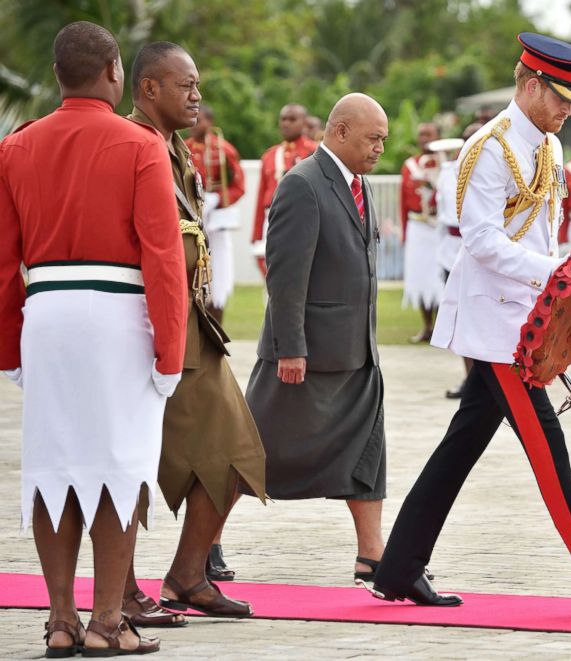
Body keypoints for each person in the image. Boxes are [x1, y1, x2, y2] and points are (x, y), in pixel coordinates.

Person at [371, 33, 571, 615]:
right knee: (550, 456)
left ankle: (399, 567)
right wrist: (558, 276)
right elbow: (480, 241)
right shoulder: (489, 146)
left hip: (527, 321)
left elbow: (544, 233)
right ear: (530, 84)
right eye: (559, 98)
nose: (566, 111)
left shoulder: (549, 147)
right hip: (499, 329)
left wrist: (568, 288)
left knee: (458, 449)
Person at [0, 21, 187, 656]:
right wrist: (170, 350)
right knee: (121, 468)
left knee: (54, 467)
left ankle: (59, 620)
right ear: (114, 73)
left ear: (57, 75)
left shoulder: (17, 146)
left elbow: (3, 263)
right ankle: (109, 621)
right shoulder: (139, 145)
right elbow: (163, 257)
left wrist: (8, 346)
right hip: (117, 315)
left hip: (46, 314)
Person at [123, 40, 266, 623]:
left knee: (237, 454)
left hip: (191, 324)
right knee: (123, 459)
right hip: (139, 327)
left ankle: (187, 575)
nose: (197, 96)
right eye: (186, 85)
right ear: (149, 88)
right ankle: (124, 591)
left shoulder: (175, 147)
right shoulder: (129, 143)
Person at [245, 93, 388, 585]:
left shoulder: (360, 185)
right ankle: (203, 547)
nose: (379, 150)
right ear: (341, 131)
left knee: (369, 451)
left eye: (384, 141)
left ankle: (373, 555)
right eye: (373, 139)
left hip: (356, 352)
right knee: (246, 451)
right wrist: (291, 347)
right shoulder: (302, 184)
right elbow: (285, 276)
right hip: (305, 357)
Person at [185, 104, 245, 323]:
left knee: (218, 270)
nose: (194, 124)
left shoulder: (224, 149)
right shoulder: (183, 147)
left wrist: (218, 199)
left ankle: (216, 315)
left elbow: (239, 185)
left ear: (209, 122)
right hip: (191, 217)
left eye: (199, 119)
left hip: (216, 217)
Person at [435, 123, 481, 400]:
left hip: (480, 249)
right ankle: (469, 380)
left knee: (481, 318)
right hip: (451, 247)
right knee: (460, 319)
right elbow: (445, 210)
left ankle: (484, 383)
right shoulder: (447, 172)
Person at [250, 103, 317, 277]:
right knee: (273, 277)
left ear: (304, 123)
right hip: (271, 219)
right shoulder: (270, 155)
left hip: (302, 219)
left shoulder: (315, 152)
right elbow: (261, 197)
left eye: (292, 119)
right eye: (283, 119)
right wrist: (256, 235)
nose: (286, 123)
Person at [400, 122, 445, 343]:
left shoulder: (447, 165)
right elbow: (403, 203)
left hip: (440, 227)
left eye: (429, 134)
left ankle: (441, 327)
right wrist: (404, 234)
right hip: (417, 225)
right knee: (420, 277)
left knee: (439, 278)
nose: (424, 138)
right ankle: (426, 326)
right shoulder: (410, 165)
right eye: (421, 134)